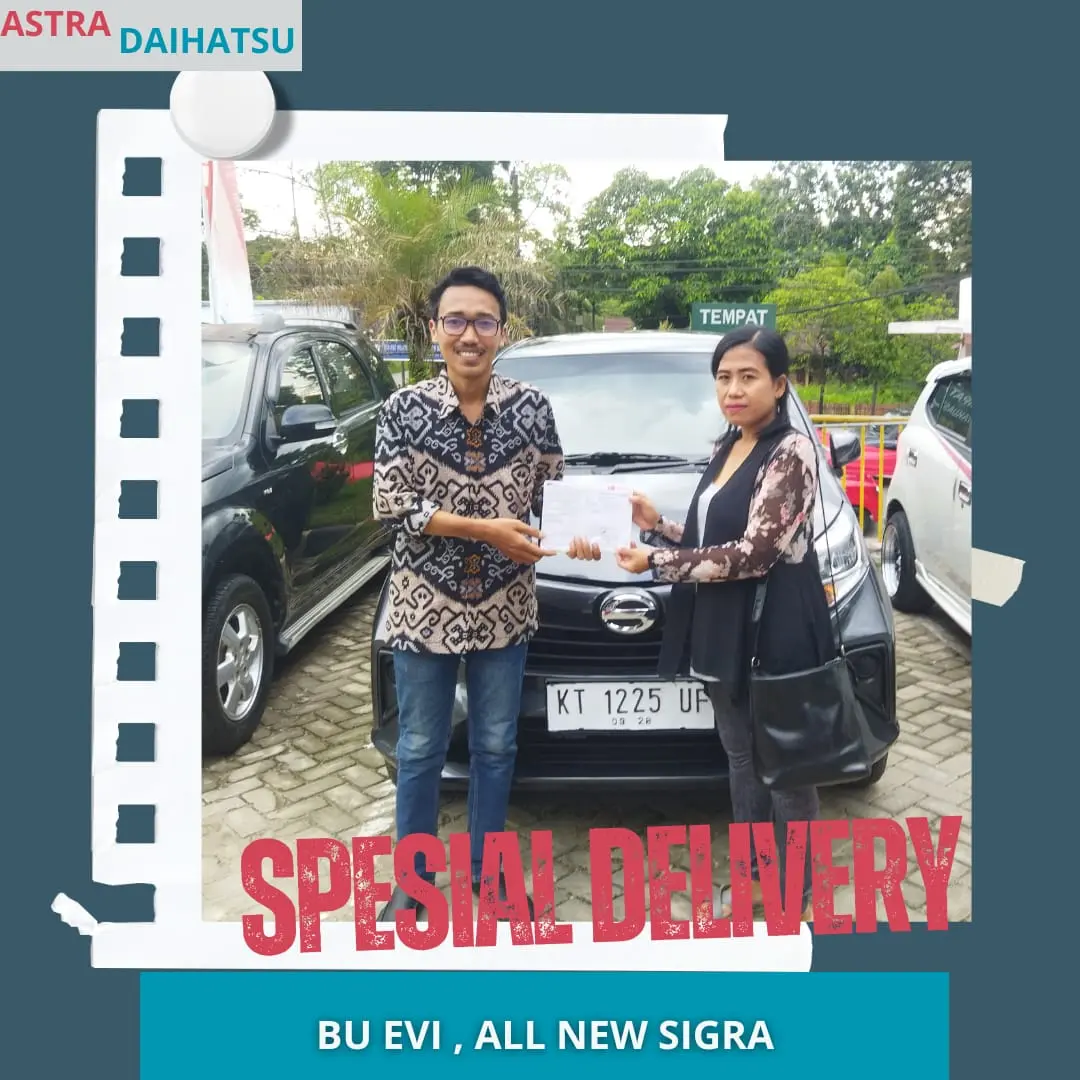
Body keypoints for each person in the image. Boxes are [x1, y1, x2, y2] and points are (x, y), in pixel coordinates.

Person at [568, 326, 834, 920]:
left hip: (774, 629)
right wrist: (657, 525)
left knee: (787, 766)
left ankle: (796, 892)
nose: (733, 390)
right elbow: (712, 538)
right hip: (724, 624)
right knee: (741, 758)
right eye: (723, 378)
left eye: (748, 377)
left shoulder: (791, 452)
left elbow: (755, 553)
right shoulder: (728, 445)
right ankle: (756, 879)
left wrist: (656, 562)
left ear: (779, 384)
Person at [372, 265, 566, 922]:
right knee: (420, 748)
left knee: (497, 746)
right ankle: (414, 882)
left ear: (501, 331)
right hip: (422, 609)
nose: (469, 335)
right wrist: (485, 529)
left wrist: (587, 533)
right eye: (455, 320)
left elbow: (554, 495)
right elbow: (391, 504)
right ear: (435, 330)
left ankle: (491, 875)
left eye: (484, 321)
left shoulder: (533, 408)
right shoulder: (403, 410)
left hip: (507, 608)